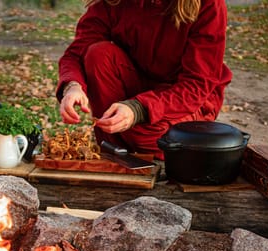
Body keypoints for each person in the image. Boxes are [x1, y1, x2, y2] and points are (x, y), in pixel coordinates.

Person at [57, 0, 232, 159]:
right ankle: (111, 151)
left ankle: (147, 153)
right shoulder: (114, 3)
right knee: (98, 55)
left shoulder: (209, 4)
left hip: (186, 99)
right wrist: (73, 86)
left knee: (141, 135)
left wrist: (138, 109)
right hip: (138, 87)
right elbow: (76, 53)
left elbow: (196, 85)